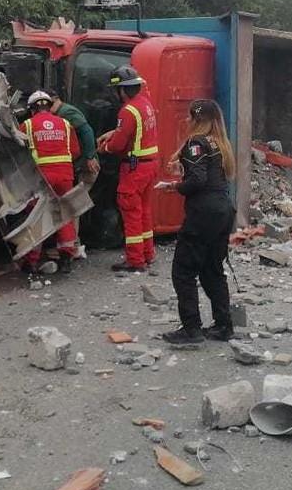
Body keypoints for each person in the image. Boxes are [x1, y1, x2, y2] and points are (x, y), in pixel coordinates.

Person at [159, 100, 237, 345]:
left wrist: (174, 186)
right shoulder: (220, 144)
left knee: (183, 271)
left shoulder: (196, 143)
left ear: (196, 119)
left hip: (203, 214)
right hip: (223, 211)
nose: (187, 122)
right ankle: (224, 325)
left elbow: (197, 181)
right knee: (212, 270)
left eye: (190, 117)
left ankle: (191, 328)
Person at [97, 66, 159, 273]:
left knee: (131, 212)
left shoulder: (127, 110)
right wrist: (113, 132)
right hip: (150, 164)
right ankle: (148, 254)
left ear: (121, 90)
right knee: (144, 211)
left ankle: (135, 260)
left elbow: (117, 146)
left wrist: (103, 147)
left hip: (135, 168)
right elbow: (133, 130)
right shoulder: (145, 103)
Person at [20, 91, 80, 274]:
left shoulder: (27, 126)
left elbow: (19, 157)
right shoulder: (65, 123)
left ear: (32, 110)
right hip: (64, 176)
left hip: (41, 179)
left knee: (37, 217)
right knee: (64, 216)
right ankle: (66, 258)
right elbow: (76, 151)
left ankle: (31, 262)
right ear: (48, 106)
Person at [48, 90, 99, 183]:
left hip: (85, 164)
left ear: (55, 99)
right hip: (79, 163)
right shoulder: (59, 113)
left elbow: (87, 131)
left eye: (49, 104)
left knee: (80, 194)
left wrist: (90, 157)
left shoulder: (66, 112)